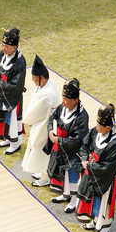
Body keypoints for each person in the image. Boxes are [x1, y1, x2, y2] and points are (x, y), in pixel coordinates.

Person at [75, 104, 116, 232]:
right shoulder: (96, 132)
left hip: (105, 178)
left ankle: (104, 229)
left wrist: (90, 165)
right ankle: (94, 222)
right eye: (97, 123)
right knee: (93, 202)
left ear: (108, 128)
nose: (96, 127)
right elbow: (84, 145)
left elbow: (110, 166)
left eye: (100, 125)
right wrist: (84, 159)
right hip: (92, 172)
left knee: (103, 205)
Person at [43, 78, 89, 213]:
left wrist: (60, 141)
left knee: (72, 176)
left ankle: (74, 200)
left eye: (66, 99)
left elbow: (78, 139)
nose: (63, 102)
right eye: (63, 98)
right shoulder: (62, 108)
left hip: (73, 151)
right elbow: (53, 118)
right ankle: (65, 194)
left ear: (75, 100)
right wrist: (51, 131)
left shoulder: (82, 117)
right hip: (61, 148)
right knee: (63, 174)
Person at [0, 27, 26, 155]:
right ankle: (6, 139)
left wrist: (1, 84)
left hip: (11, 96)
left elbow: (17, 85)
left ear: (14, 47)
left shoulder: (20, 63)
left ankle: (15, 143)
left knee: (11, 119)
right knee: (3, 117)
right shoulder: (0, 55)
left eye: (7, 46)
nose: (4, 48)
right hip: (0, 92)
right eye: (3, 45)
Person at [21, 55, 60, 187]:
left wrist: (27, 119)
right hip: (41, 120)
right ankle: (41, 171)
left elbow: (38, 111)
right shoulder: (47, 85)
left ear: (41, 78)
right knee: (37, 147)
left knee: (42, 148)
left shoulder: (47, 93)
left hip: (45, 123)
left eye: (34, 77)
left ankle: (45, 176)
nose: (32, 79)